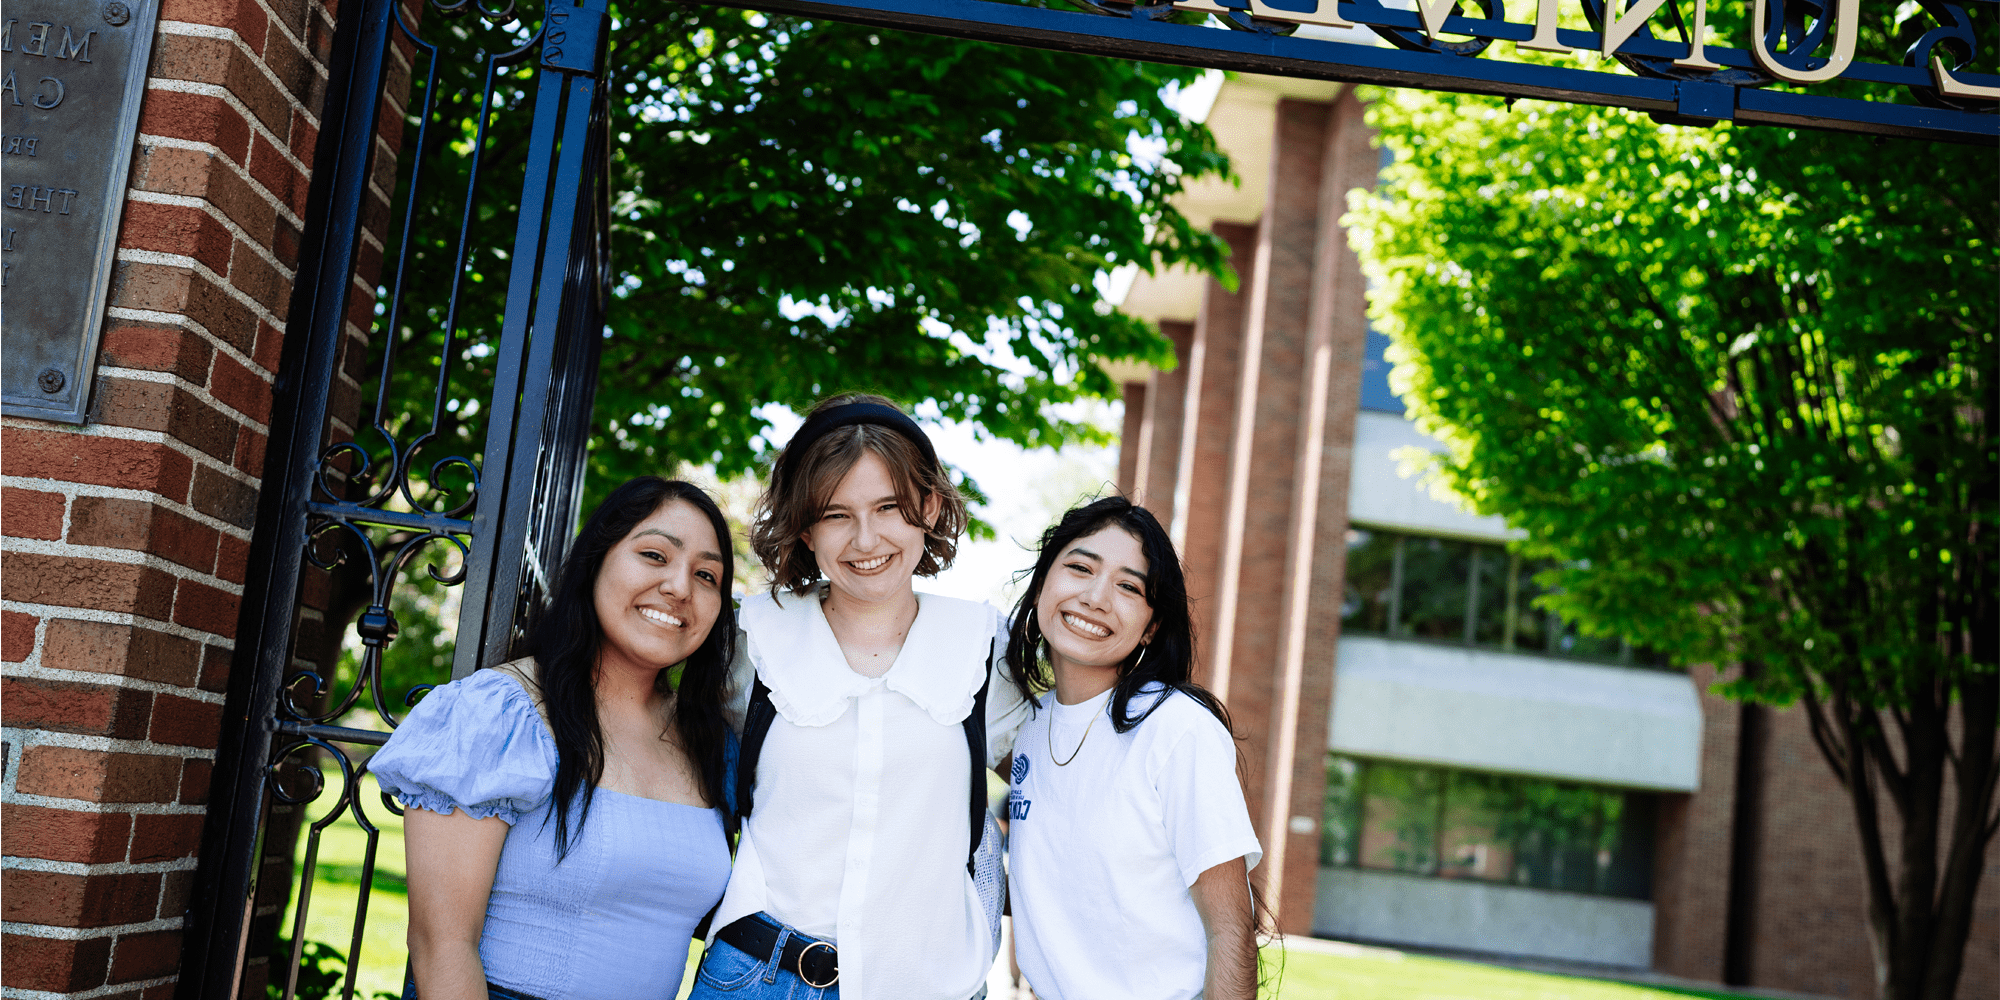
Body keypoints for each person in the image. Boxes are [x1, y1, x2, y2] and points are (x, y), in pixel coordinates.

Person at [689, 393, 1028, 1000]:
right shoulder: (750, 636)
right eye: (836, 514)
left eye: (889, 507)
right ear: (805, 525)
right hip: (760, 979)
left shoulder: (985, 649)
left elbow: (1059, 794)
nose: (865, 539)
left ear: (927, 506)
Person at [373, 477, 738, 1000]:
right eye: (655, 555)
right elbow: (441, 947)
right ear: (596, 561)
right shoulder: (500, 713)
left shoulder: (710, 741)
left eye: (707, 575)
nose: (680, 587)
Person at [1002, 496, 1263, 1000]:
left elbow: (1230, 929)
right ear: (1040, 586)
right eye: (1080, 568)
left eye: (1128, 587)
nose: (1097, 598)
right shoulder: (1026, 730)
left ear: (1151, 624)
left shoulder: (1175, 728)